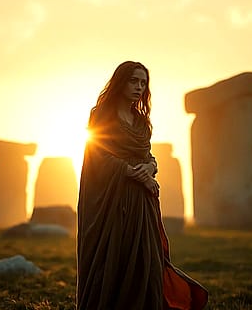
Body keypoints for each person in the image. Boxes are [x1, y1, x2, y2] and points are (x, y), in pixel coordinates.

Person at [76, 61, 208, 310]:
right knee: (115, 258)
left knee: (147, 259)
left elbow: (147, 155)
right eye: (133, 81)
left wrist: (150, 167)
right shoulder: (101, 115)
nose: (138, 87)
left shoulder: (141, 121)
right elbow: (97, 154)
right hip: (113, 201)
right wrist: (134, 173)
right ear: (120, 82)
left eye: (143, 82)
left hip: (142, 201)